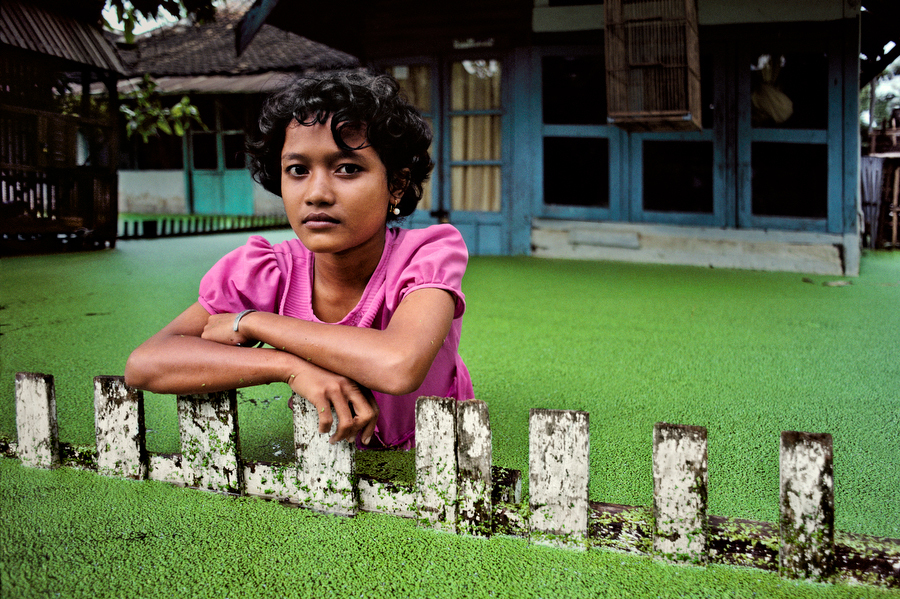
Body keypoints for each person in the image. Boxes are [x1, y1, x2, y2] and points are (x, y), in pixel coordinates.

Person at [125, 70, 473, 450]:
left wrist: (256, 323)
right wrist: (288, 367)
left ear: (396, 184)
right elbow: (146, 363)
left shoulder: (426, 255)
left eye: (348, 169)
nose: (317, 194)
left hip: (436, 454)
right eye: (298, 170)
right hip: (323, 464)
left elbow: (398, 366)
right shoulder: (269, 270)